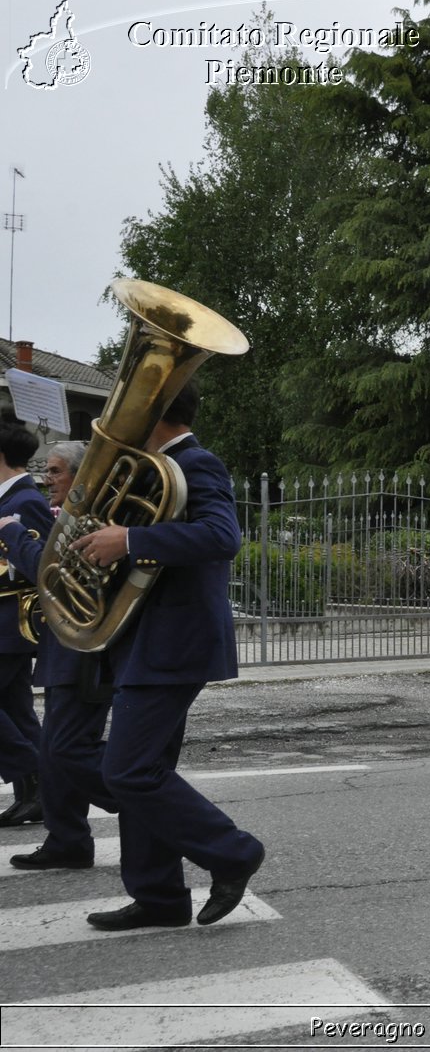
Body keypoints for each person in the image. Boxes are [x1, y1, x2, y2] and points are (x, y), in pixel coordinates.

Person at [55, 384, 265, 929]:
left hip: (174, 641)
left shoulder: (196, 463)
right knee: (146, 768)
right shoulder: (153, 467)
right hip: (142, 638)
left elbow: (222, 537)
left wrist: (126, 541)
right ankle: (159, 896)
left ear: (151, 411)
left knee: (126, 772)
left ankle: (233, 852)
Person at [3, 441, 115, 868]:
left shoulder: (89, 519)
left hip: (81, 645)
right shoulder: (69, 517)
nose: (46, 479)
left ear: (79, 477)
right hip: (63, 644)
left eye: (54, 471)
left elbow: (53, 571)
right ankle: (68, 841)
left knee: (64, 749)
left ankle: (144, 797)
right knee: (53, 750)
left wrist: (13, 535)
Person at [0, 419, 52, 828]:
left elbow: (39, 564)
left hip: (10, 625)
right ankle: (35, 796)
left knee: (15, 713)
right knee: (17, 713)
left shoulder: (26, 499)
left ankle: (46, 778)